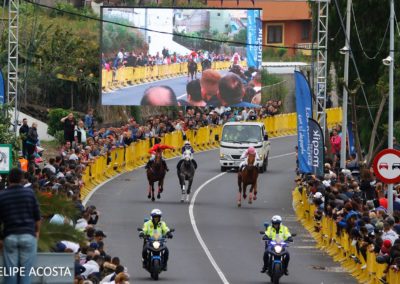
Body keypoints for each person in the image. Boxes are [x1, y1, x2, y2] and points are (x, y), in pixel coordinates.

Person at [0, 168, 41, 284]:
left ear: (8, 179)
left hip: (10, 236)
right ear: (22, 179)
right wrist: (36, 233)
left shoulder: (2, 196)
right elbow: (37, 217)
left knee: (11, 274)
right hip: (28, 236)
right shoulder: (29, 193)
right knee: (25, 274)